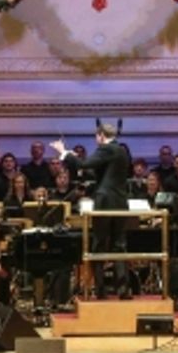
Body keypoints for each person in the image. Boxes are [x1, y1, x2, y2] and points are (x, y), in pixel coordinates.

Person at [53, 120, 132, 298]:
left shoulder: (106, 148)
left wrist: (64, 153)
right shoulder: (120, 150)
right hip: (120, 201)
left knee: (99, 245)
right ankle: (122, 289)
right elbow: (99, 172)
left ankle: (100, 290)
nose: (96, 140)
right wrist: (76, 158)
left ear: (101, 135)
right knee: (119, 245)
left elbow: (83, 166)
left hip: (105, 201)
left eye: (96, 137)